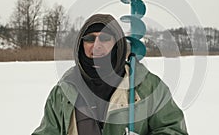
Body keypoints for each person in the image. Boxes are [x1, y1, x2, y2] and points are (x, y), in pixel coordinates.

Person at [32, 14, 188, 135]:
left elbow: (173, 129)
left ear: (118, 44)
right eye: (90, 39)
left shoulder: (149, 86)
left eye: (105, 38)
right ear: (81, 45)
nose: (97, 45)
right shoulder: (63, 92)